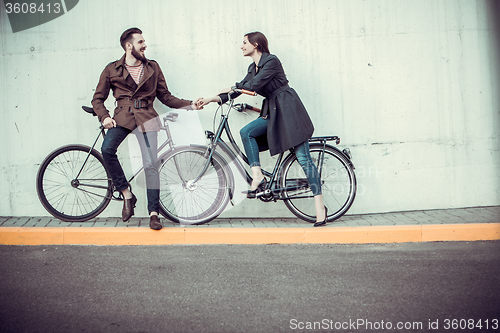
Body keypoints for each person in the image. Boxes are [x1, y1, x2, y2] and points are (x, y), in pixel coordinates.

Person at [198, 32, 328, 227]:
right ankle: (257, 174)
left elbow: (253, 85)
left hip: (289, 110)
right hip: (273, 112)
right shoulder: (253, 67)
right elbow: (239, 90)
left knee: (303, 159)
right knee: (247, 132)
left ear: (255, 44)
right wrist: (211, 99)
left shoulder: (271, 61)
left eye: (244, 42)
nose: (241, 46)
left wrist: (234, 87)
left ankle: (320, 208)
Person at [92, 27, 202, 230]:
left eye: (144, 42)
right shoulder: (112, 69)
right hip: (122, 118)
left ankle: (154, 213)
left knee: (151, 164)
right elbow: (97, 98)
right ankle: (127, 193)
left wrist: (190, 104)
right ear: (129, 45)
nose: (145, 45)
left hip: (147, 118)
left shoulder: (153, 67)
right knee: (107, 149)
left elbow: (165, 96)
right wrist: (105, 116)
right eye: (141, 42)